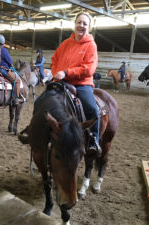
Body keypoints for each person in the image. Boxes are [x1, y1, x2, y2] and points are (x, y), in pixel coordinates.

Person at [51, 12, 101, 156]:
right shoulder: (66, 43)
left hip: (81, 84)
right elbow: (54, 59)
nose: (81, 25)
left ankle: (93, 140)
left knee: (92, 109)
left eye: (85, 24)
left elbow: (89, 69)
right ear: (74, 24)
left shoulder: (91, 45)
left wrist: (66, 72)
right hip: (62, 81)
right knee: (43, 100)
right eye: (79, 22)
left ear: (89, 27)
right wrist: (56, 74)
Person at [0, 34, 22, 106]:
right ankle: (16, 98)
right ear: (3, 42)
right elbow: (9, 61)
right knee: (17, 81)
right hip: (2, 70)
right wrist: (11, 66)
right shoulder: (4, 50)